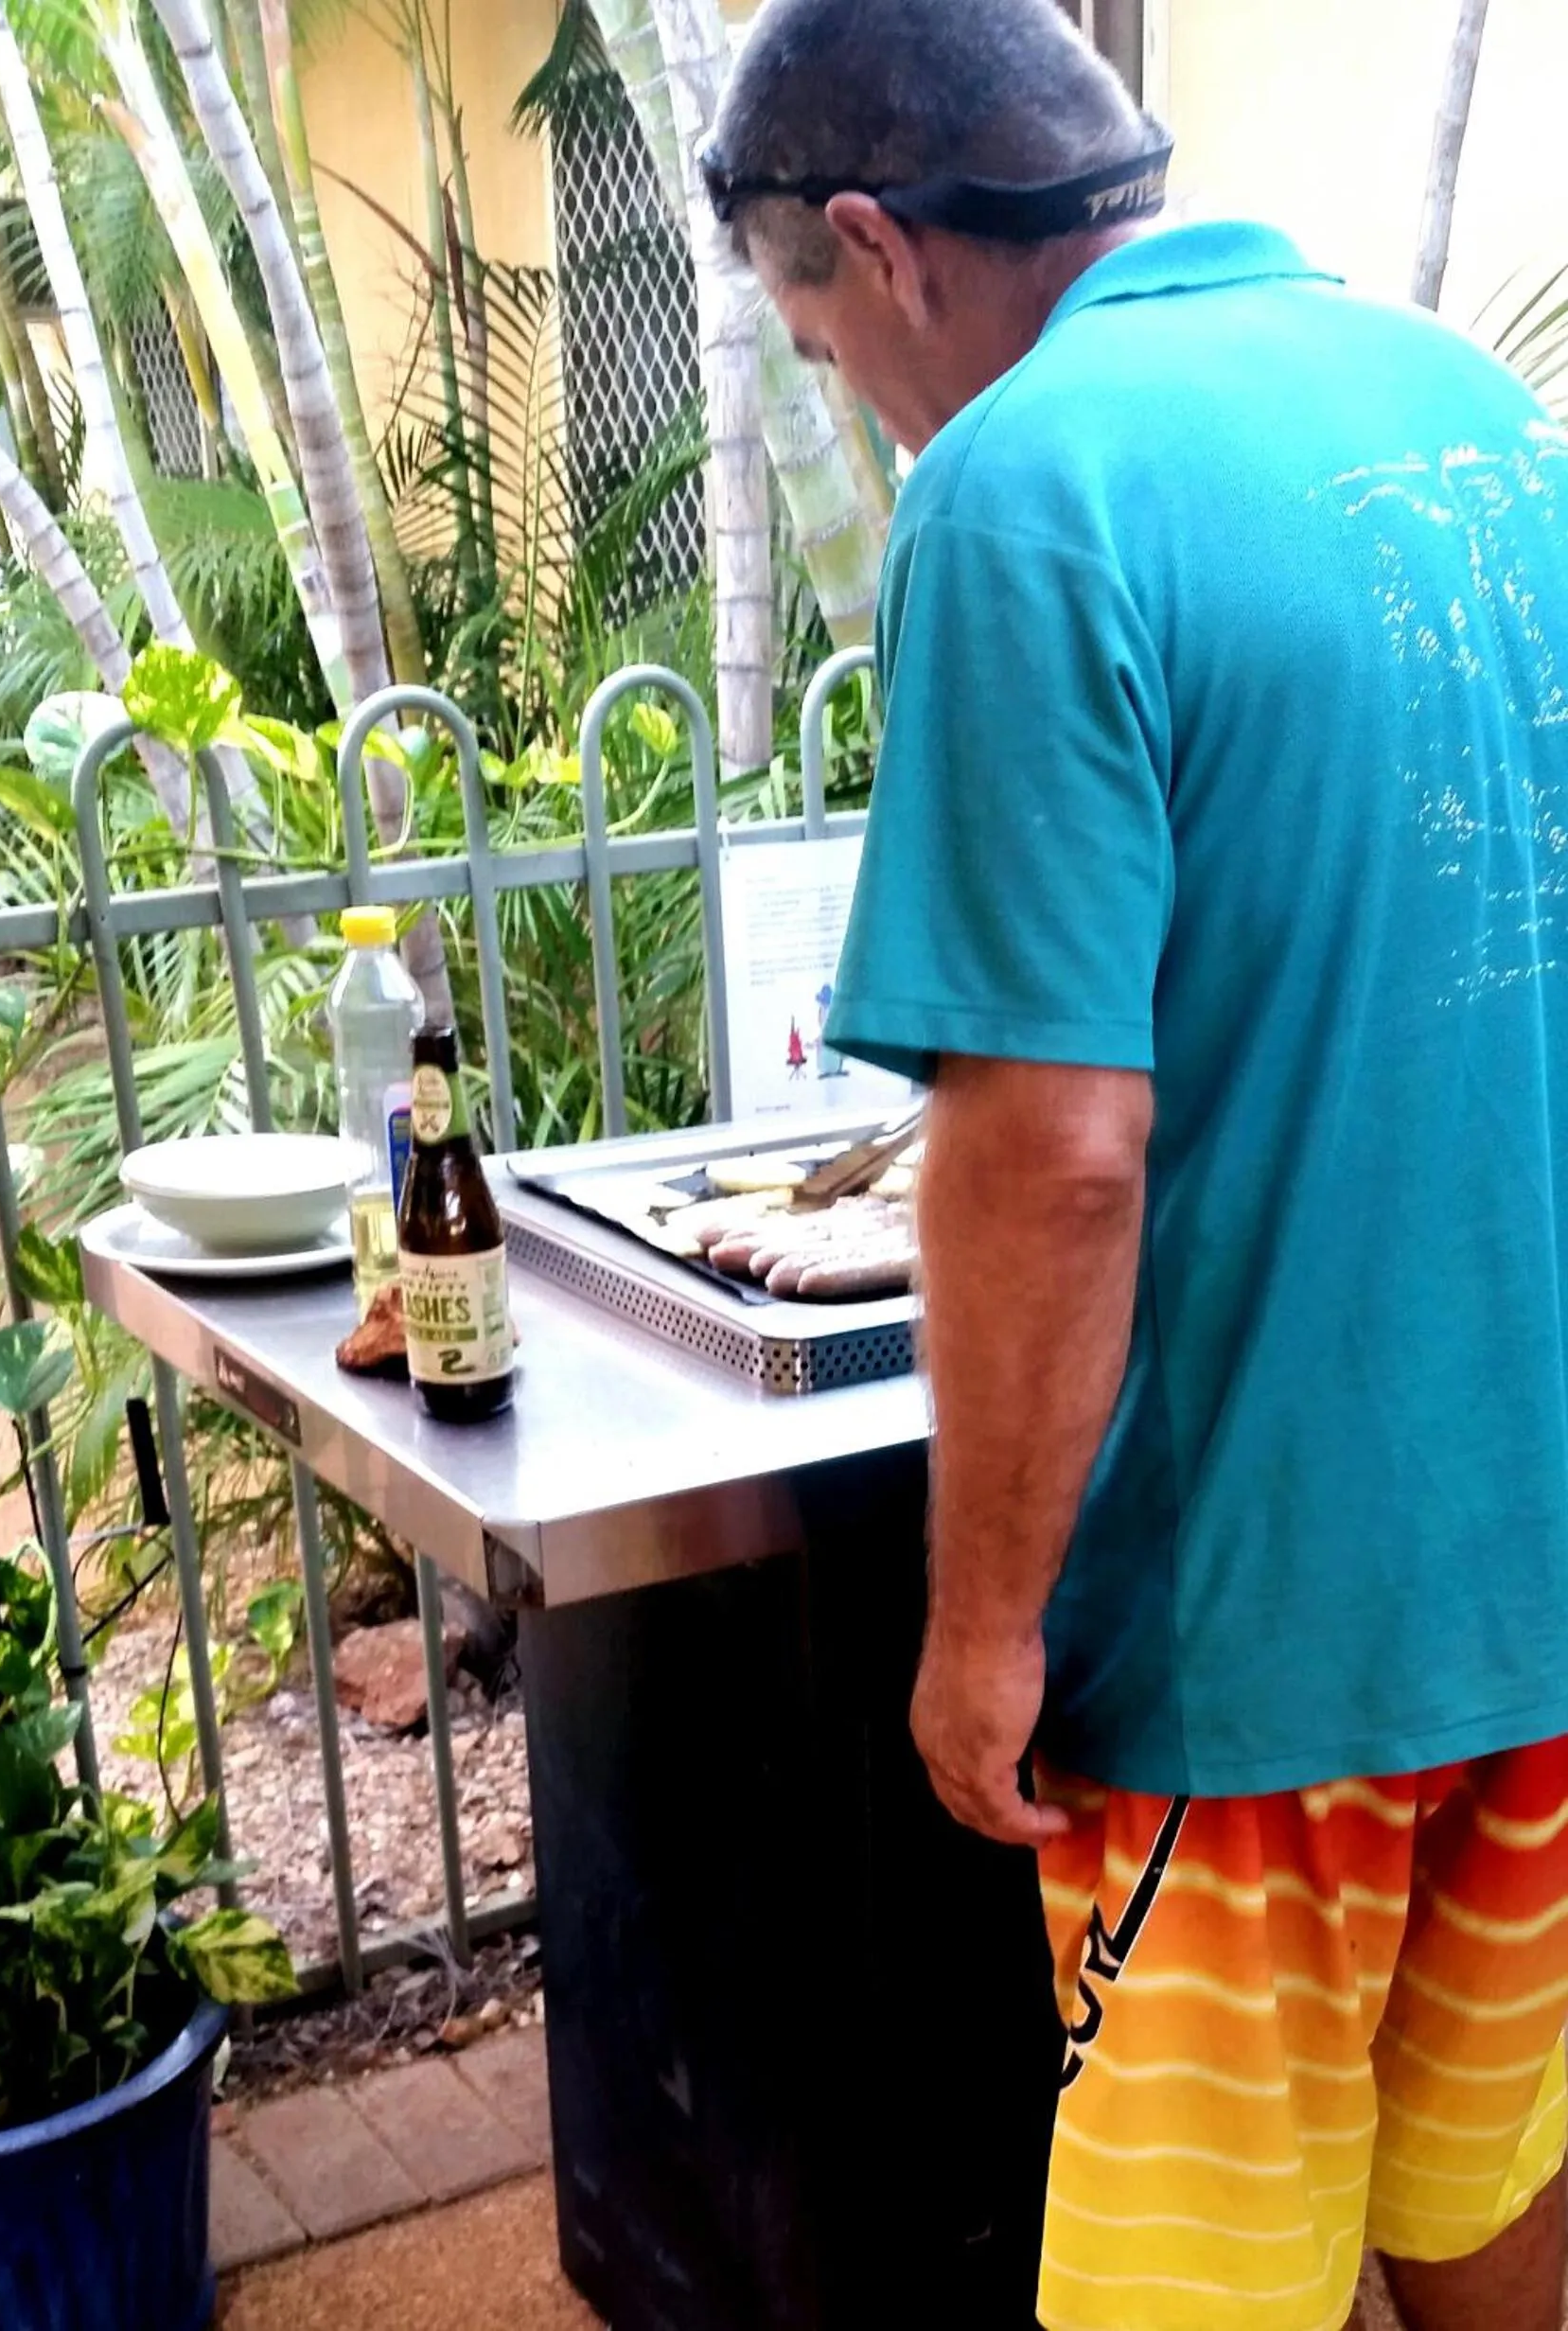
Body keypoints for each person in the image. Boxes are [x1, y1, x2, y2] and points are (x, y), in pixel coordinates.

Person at [708, 5, 1568, 2328]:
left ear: (877, 250)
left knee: (1198, 2274)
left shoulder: (1022, 483)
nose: (849, 396)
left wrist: (980, 1627)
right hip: (1526, 1568)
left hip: (1247, 1635)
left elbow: (1053, 1154)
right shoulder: (1473, 419)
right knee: (1477, 2160)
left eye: (810, 339)